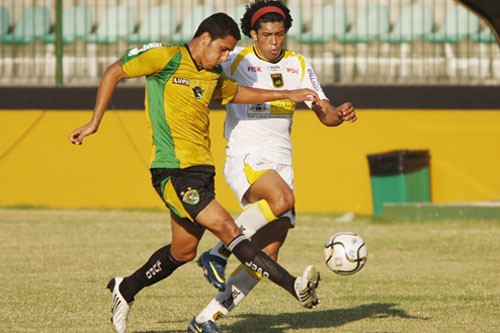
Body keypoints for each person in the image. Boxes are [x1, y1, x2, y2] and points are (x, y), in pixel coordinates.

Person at [68, 12, 321, 333]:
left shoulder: (212, 74)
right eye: (223, 50)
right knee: (228, 229)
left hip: (203, 172)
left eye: (230, 51)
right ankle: (293, 285)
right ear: (205, 40)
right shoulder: (166, 58)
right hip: (172, 170)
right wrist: (94, 122)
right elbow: (114, 71)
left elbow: (237, 94)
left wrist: (287, 93)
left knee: (183, 251)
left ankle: (125, 288)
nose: (226, 57)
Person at [191, 1, 357, 331]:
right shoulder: (236, 61)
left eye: (279, 34)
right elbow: (204, 85)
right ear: (253, 34)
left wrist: (339, 114)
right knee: (282, 200)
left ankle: (206, 318)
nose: (273, 41)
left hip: (283, 162)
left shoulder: (298, 64)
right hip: (247, 154)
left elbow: (323, 110)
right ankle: (219, 252)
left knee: (268, 253)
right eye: (266, 35)